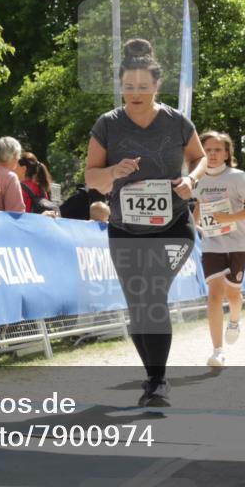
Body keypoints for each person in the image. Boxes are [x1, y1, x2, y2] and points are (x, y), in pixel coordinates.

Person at [84, 38, 205, 407]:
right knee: (138, 303)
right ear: (121, 86)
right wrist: (112, 172)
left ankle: (158, 380)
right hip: (125, 227)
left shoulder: (176, 122)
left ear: (156, 86)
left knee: (153, 294)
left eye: (143, 86)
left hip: (173, 226)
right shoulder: (108, 125)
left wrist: (191, 181)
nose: (135, 93)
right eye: (128, 86)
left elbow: (199, 158)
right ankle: (153, 377)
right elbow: (91, 178)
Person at [192, 130, 245, 368]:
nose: (212, 154)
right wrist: (193, 223)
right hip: (212, 244)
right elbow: (199, 204)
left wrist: (228, 217)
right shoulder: (197, 179)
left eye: (217, 150)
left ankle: (234, 320)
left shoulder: (237, 176)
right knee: (213, 296)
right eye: (207, 150)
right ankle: (217, 350)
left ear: (227, 153)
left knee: (233, 295)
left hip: (236, 244)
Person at [0, 136, 26, 213]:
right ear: (14, 155)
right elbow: (16, 212)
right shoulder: (10, 177)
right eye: (18, 155)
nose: (18, 159)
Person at [17, 151, 59, 216]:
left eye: (16, 166)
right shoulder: (42, 187)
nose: (13, 168)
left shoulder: (18, 188)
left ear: (23, 169)